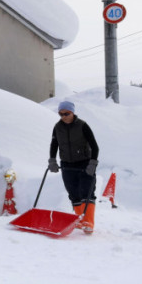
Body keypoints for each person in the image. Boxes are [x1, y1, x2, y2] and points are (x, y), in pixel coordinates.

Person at [48, 100, 99, 234]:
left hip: (84, 163)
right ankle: (80, 221)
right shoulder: (57, 127)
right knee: (73, 192)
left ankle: (88, 222)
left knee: (86, 191)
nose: (64, 117)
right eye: (61, 114)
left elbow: (94, 146)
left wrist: (93, 163)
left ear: (72, 112)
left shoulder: (82, 125)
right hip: (67, 164)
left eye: (67, 113)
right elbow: (54, 145)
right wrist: (52, 160)